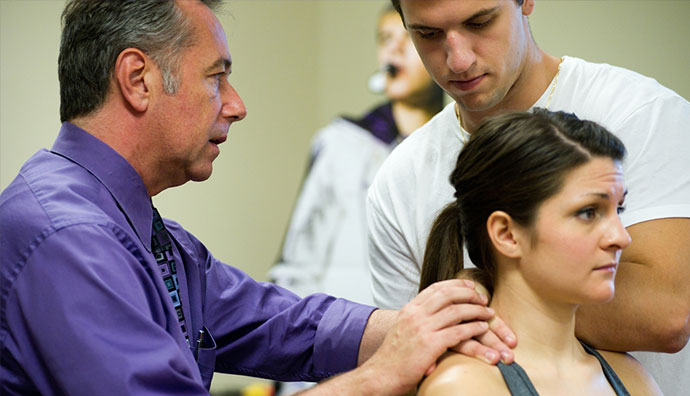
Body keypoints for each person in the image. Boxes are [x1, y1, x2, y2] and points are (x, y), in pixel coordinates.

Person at [0, 1, 517, 395]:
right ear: (138, 80)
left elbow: (275, 322)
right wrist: (377, 377)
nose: (237, 104)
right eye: (216, 77)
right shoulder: (69, 239)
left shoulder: (146, 234)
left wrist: (420, 326)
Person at [366, 0, 690, 393]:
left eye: (480, 21)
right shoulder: (399, 181)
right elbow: (415, 356)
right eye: (428, 34)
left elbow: (666, 316)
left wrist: (481, 296)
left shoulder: (641, 114)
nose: (459, 60)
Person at [416, 109, 661, 395]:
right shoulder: (464, 386)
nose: (621, 237)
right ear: (507, 234)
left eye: (618, 209)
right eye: (588, 212)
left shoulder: (632, 378)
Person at [268, 5, 444, 306]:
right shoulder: (340, 143)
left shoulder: (458, 148)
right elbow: (297, 261)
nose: (394, 50)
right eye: (385, 38)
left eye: (410, 37)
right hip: (345, 336)